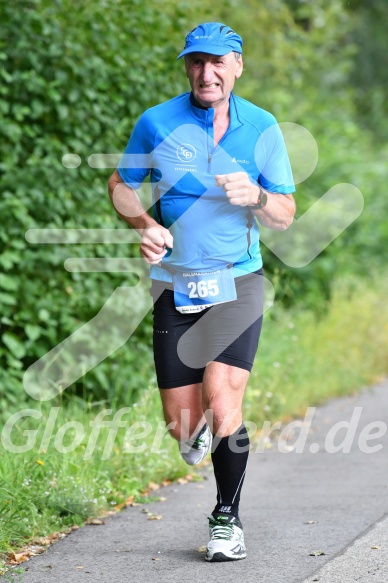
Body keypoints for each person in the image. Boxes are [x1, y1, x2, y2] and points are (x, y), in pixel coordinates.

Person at [108, 21, 296, 562]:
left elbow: (284, 216)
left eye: (218, 62)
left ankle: (226, 521)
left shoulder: (262, 128)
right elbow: (121, 185)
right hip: (175, 284)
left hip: (238, 279)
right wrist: (144, 224)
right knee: (184, 425)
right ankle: (197, 439)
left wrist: (256, 195)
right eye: (196, 62)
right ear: (186, 67)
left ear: (237, 66)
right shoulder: (157, 122)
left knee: (222, 399)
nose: (206, 72)